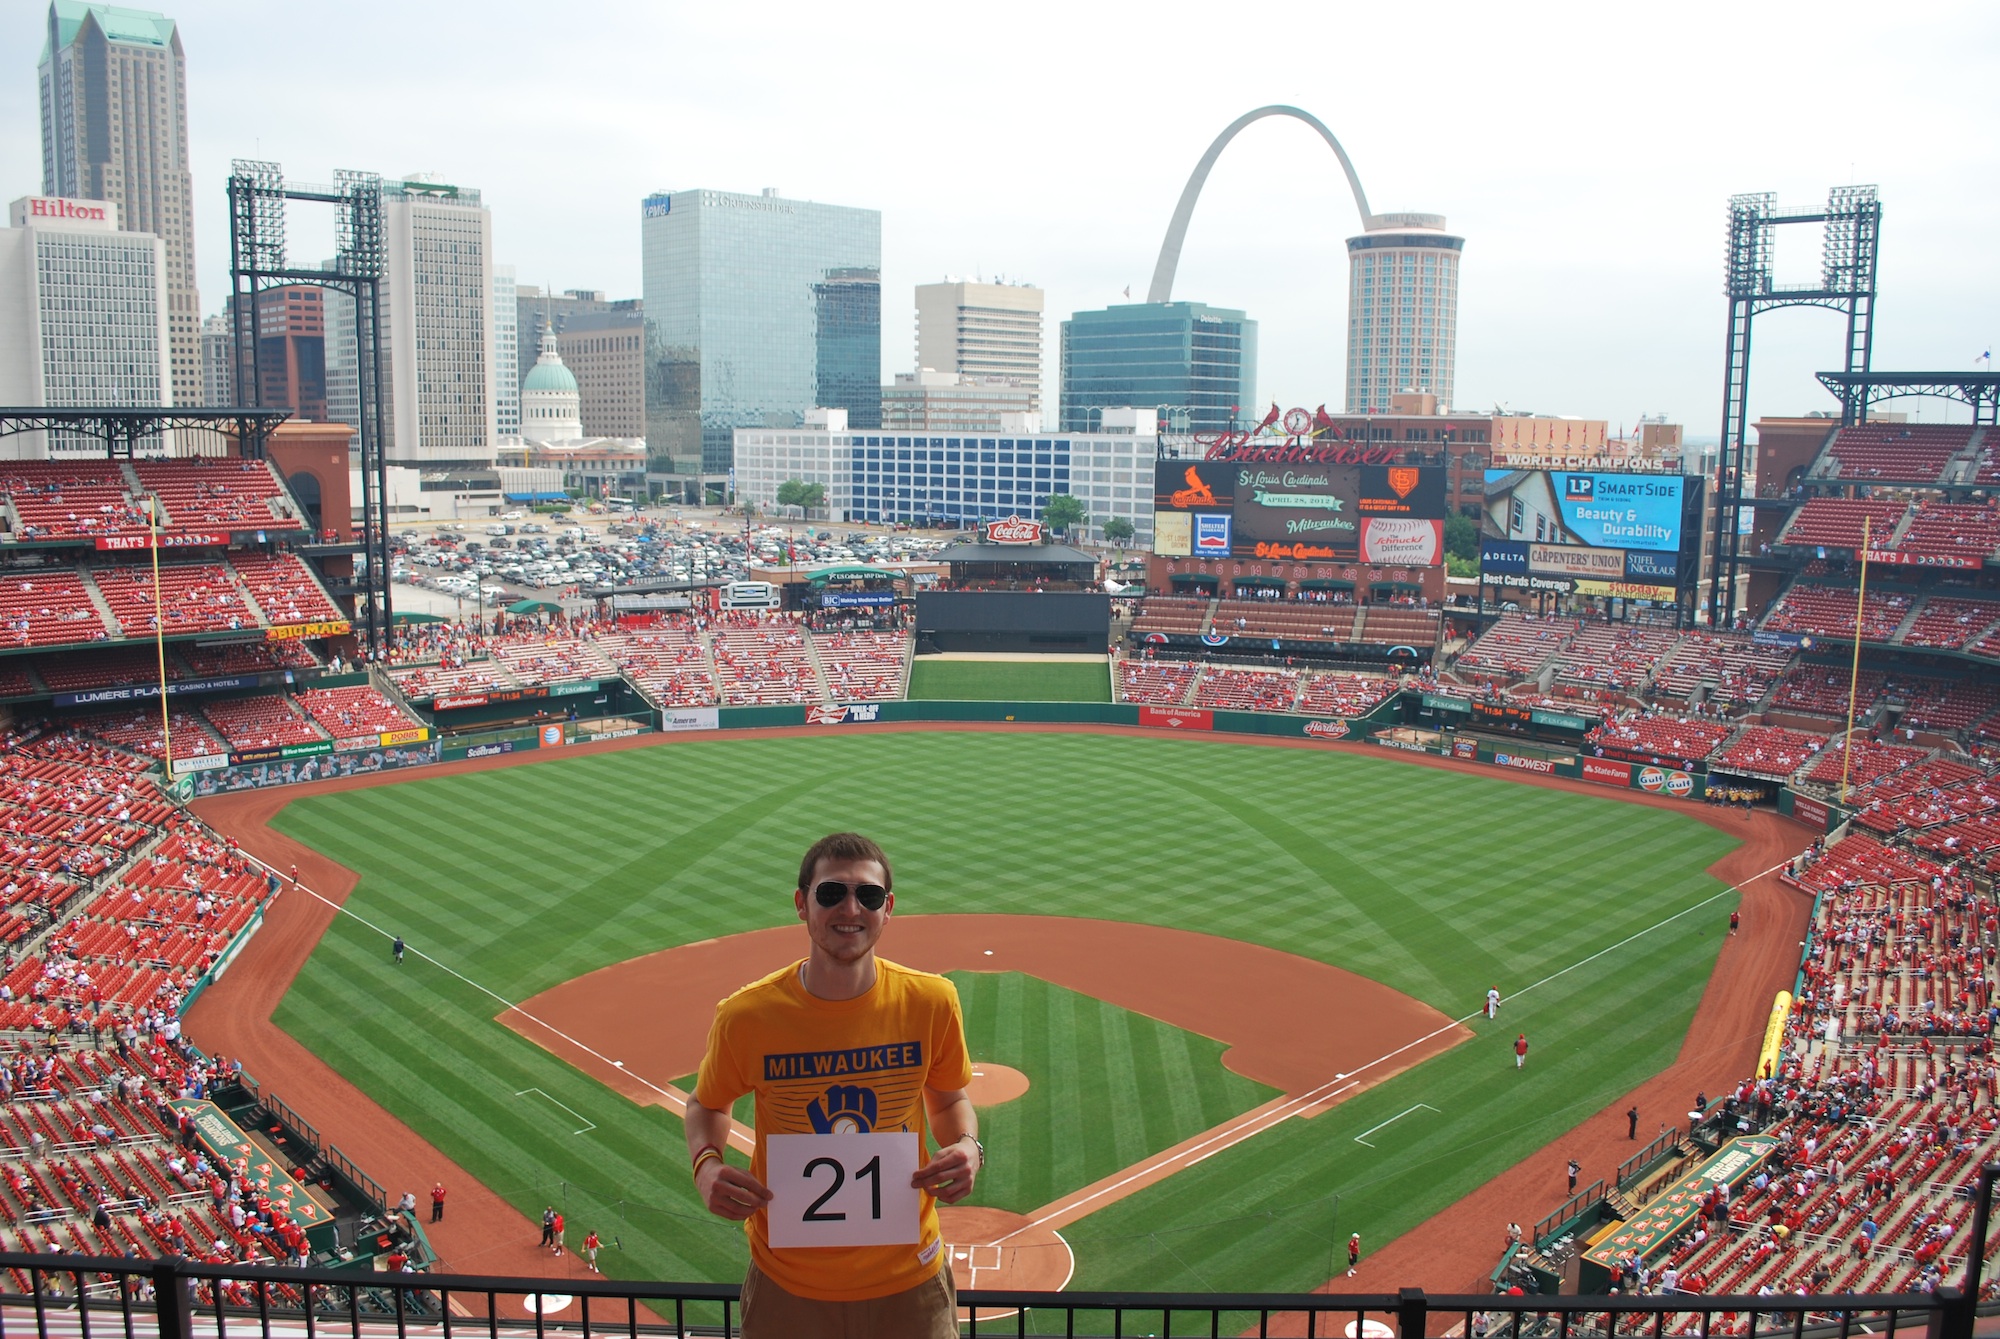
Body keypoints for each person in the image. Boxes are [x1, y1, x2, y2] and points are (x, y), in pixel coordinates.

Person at [686, 832, 978, 1339]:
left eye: (868, 895)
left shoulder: (931, 1002)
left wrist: (969, 1146)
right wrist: (706, 1166)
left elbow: (950, 1099)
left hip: (910, 1283)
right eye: (831, 893)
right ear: (802, 904)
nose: (850, 909)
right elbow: (706, 1105)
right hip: (787, 1288)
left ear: (887, 909)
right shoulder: (747, 1016)